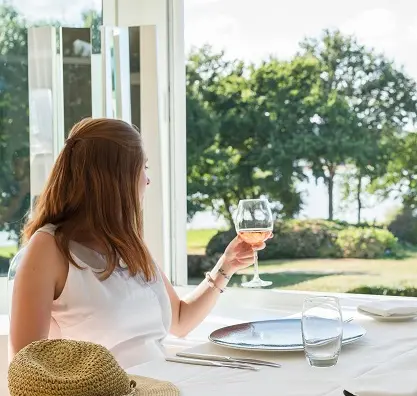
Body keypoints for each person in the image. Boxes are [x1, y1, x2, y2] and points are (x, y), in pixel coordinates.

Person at [9, 118, 262, 368]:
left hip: (160, 393)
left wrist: (226, 265)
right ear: (116, 179)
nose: (147, 180)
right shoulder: (48, 249)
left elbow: (181, 320)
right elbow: (25, 368)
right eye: (143, 168)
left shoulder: (128, 244)